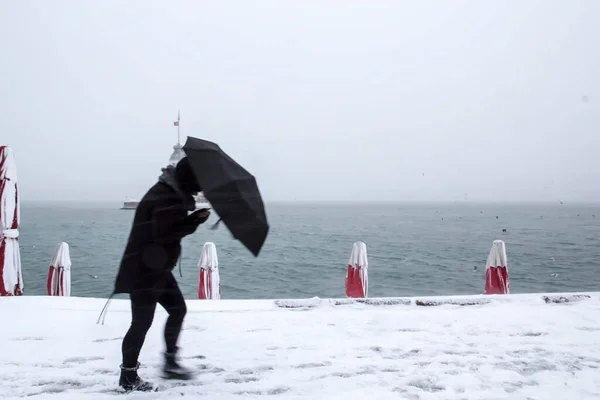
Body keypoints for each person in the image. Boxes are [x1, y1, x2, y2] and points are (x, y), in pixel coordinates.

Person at [112, 157, 210, 392]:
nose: (198, 190)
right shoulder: (166, 197)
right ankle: (128, 376)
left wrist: (190, 218)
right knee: (141, 322)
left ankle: (169, 363)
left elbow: (166, 229)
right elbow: (165, 234)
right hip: (144, 270)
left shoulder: (169, 192)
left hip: (156, 267)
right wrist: (194, 221)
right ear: (188, 180)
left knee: (177, 310)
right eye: (197, 184)